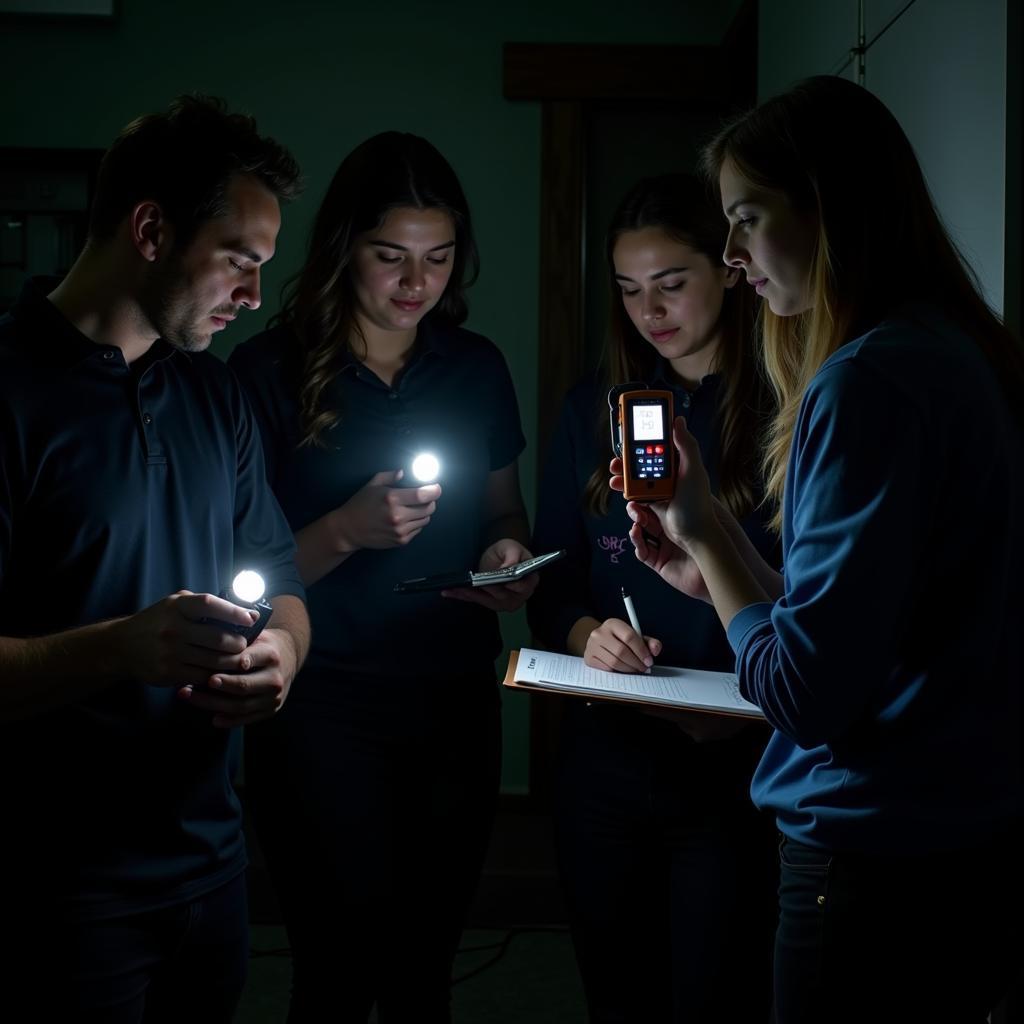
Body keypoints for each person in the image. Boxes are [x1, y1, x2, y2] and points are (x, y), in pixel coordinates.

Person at [621, 76, 1024, 1024]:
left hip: (871, 856)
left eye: (747, 219)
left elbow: (807, 690)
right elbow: (872, 625)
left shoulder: (866, 384)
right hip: (970, 840)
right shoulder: (959, 353)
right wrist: (717, 550)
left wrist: (708, 543)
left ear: (828, 211)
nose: (729, 255)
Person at [0, 96, 311, 1020]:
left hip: (211, 871)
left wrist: (282, 660)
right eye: (240, 261)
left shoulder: (216, 396)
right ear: (149, 228)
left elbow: (283, 581)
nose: (254, 295)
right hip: (56, 894)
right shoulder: (9, 396)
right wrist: (117, 649)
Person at [228, 130, 534, 1022]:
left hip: (450, 699)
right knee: (333, 966)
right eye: (390, 256)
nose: (417, 283)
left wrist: (505, 559)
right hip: (321, 704)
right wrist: (345, 530)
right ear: (342, 251)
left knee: (424, 966)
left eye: (438, 259)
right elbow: (238, 565)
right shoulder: (267, 372)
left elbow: (504, 514)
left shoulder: (474, 369)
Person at [527, 173, 778, 1022]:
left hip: (735, 765)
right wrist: (588, 629)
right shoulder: (590, 410)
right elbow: (554, 578)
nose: (649, 311)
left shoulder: (787, 409)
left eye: (671, 284)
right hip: (605, 761)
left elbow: (808, 605)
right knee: (617, 993)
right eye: (630, 290)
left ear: (730, 269)